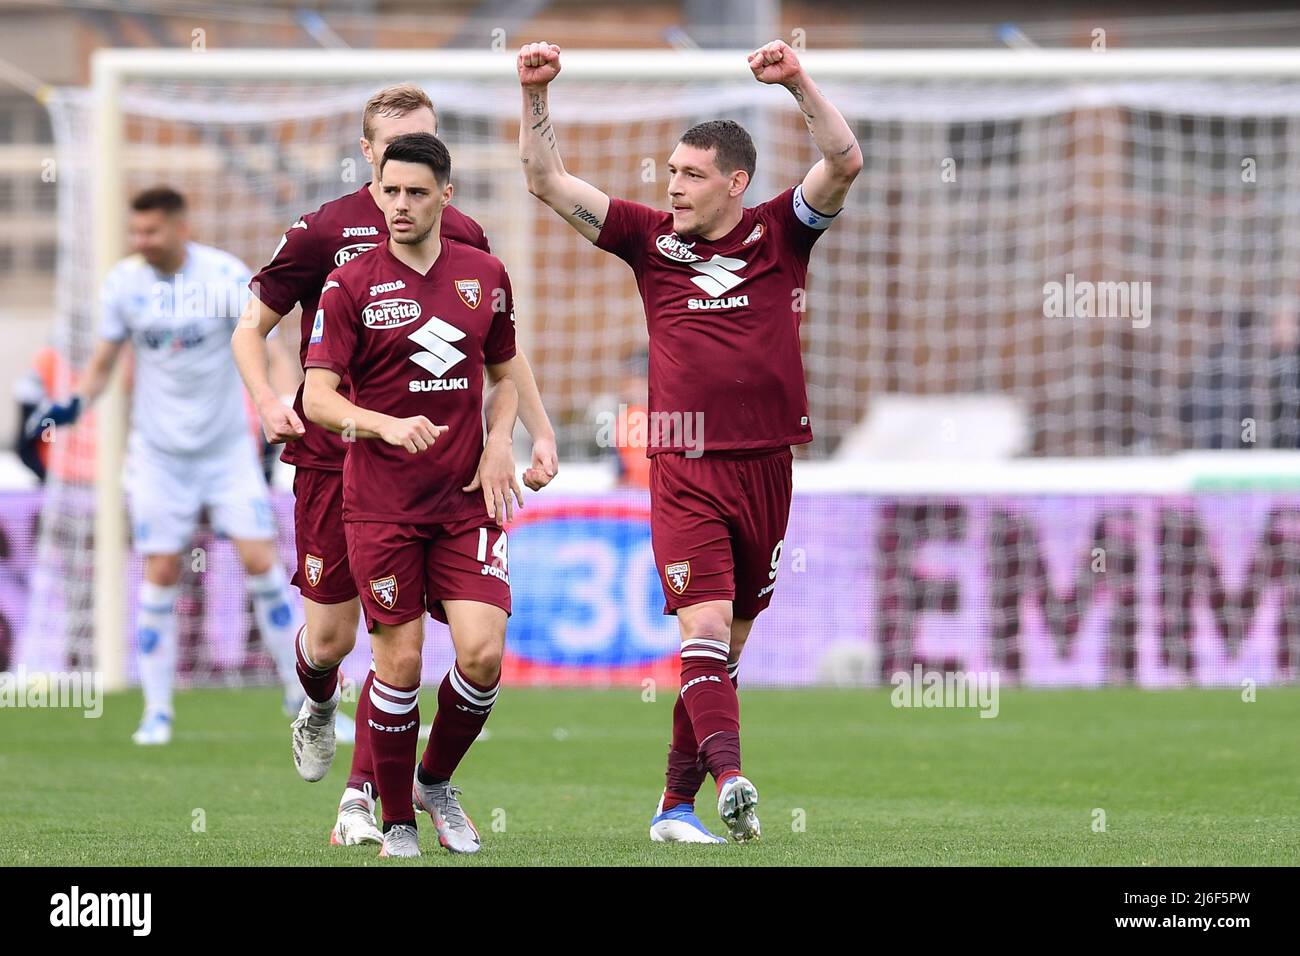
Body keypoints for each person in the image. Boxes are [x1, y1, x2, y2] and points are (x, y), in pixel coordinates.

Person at [518, 39, 861, 842]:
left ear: (736, 183)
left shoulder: (782, 232)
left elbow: (844, 160)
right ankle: (734, 778)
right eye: (670, 171)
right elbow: (544, 180)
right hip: (682, 467)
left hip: (769, 464)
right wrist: (533, 93)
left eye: (692, 174)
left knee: (728, 648)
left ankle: (674, 809)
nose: (672, 185)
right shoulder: (646, 239)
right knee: (702, 629)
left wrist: (799, 83)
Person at [233, 84, 557, 846]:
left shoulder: (468, 241)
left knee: (413, 650)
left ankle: (371, 802)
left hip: (445, 480)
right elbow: (253, 327)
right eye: (396, 147)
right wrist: (268, 398)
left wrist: (523, 434)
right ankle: (316, 704)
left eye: (428, 144)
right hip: (331, 461)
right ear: (368, 154)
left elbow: (502, 356)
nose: (410, 169)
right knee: (334, 643)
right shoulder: (325, 237)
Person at [303, 133, 522, 857]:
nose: (399, 205)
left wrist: (499, 442)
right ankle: (395, 819)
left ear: (445, 197)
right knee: (397, 663)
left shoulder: (485, 274)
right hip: (382, 506)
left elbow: (505, 372)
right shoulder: (351, 285)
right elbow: (319, 397)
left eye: (416, 193)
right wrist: (382, 426)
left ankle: (433, 782)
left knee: (484, 654)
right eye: (389, 192)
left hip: (465, 502)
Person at [26, 186, 303, 745]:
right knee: (158, 573)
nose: (140, 241)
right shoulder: (125, 285)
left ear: (180, 227)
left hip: (227, 451)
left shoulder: (223, 276)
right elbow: (103, 364)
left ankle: (304, 704)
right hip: (158, 457)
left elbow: (268, 344)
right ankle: (156, 712)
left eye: (150, 231)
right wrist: (72, 404)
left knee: (263, 566)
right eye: (135, 232)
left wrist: (285, 398)